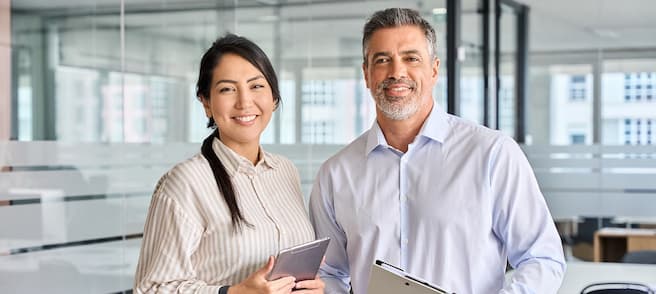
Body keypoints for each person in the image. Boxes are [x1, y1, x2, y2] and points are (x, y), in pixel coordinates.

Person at [309, 8, 565, 294]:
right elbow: (328, 273)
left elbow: (542, 258)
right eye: (382, 60)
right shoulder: (336, 173)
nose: (397, 72)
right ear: (366, 74)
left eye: (411, 58)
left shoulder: (492, 154)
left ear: (434, 70)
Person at [134, 34, 324, 294]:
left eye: (256, 86)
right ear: (206, 102)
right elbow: (151, 289)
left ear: (274, 97)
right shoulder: (185, 182)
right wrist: (233, 293)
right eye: (227, 89)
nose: (245, 102)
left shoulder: (285, 171)